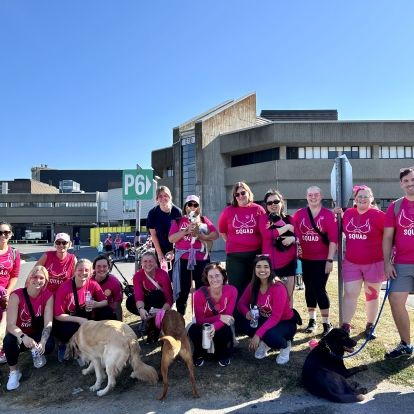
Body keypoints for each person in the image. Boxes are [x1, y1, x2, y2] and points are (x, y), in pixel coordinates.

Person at [335, 185, 385, 339]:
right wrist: (336, 215)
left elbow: (390, 236)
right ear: (355, 199)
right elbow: (336, 229)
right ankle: (346, 325)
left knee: (372, 295)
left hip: (374, 263)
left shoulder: (379, 216)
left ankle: (370, 325)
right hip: (351, 262)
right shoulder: (348, 214)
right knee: (350, 293)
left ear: (372, 199)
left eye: (366, 196)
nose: (362, 199)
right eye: (359, 196)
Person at [293, 186, 337, 335]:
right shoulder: (299, 214)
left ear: (321, 196)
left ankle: (326, 323)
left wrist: (330, 260)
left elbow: (333, 240)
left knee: (319, 289)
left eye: (316, 195)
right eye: (310, 195)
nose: (313, 197)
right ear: (306, 197)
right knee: (309, 289)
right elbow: (294, 234)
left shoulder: (328, 215)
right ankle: (312, 320)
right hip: (305, 259)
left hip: (322, 260)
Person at [237, 255, 297, 364]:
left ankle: (285, 345)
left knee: (270, 335)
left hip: (284, 322)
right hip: (264, 319)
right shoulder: (253, 285)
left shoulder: (278, 287)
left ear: (270, 269)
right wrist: (247, 313)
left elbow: (275, 317)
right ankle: (265, 343)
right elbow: (241, 303)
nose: (262, 270)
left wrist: (258, 335)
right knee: (242, 321)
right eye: (259, 267)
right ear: (254, 269)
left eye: (266, 267)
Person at [3, 266, 54, 390]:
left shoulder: (48, 295)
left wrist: (42, 341)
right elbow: (10, 325)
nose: (38, 280)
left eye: (41, 278)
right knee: (9, 341)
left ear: (45, 281)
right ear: (29, 278)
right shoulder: (16, 295)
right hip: (19, 335)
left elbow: (48, 322)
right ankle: (14, 372)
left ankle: (36, 352)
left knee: (49, 345)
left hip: (35, 333)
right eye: (34, 277)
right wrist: (23, 336)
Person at [53, 259, 112, 362]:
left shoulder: (92, 283)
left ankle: (102, 341)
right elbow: (58, 315)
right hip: (69, 318)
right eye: (80, 270)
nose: (83, 273)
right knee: (69, 329)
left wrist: (96, 304)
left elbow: (105, 301)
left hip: (86, 315)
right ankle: (65, 344)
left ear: (91, 272)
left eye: (86, 270)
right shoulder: (64, 287)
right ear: (74, 271)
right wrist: (79, 320)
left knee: (107, 312)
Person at [383, 166, 414, 359]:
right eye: (407, 181)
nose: (411, 184)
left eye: (413, 180)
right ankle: (406, 344)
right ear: (401, 184)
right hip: (402, 263)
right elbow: (387, 237)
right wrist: (387, 263)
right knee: (395, 300)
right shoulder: (395, 207)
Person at [169, 195, 218, 315]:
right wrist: (186, 231)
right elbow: (171, 239)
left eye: (195, 205)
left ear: (198, 207)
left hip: (201, 259)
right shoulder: (178, 220)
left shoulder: (203, 219)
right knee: (183, 290)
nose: (192, 207)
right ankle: (180, 315)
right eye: (189, 204)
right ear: (185, 207)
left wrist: (201, 235)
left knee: (203, 288)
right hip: (183, 259)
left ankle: (203, 316)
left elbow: (215, 235)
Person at [218, 181, 266, 298]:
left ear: (248, 193)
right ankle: (239, 316)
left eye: (243, 193)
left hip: (255, 255)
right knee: (237, 290)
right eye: (237, 194)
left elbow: (264, 232)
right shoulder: (228, 210)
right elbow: (222, 231)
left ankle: (255, 314)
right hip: (235, 257)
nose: (240, 196)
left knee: (255, 288)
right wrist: (235, 243)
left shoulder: (258, 209)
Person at [188, 263, 237, 367]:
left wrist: (214, 326)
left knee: (225, 331)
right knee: (194, 330)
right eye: (210, 276)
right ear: (207, 279)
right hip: (205, 325)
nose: (214, 279)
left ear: (223, 276)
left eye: (217, 275)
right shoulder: (199, 294)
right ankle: (199, 354)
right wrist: (219, 317)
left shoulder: (232, 290)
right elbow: (200, 320)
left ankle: (222, 353)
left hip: (221, 325)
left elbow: (227, 317)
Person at [259, 189, 297, 304]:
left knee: (288, 297)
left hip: (289, 264)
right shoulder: (263, 218)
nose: (273, 205)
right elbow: (267, 234)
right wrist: (286, 228)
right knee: (271, 299)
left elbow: (299, 236)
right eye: (269, 203)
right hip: (270, 266)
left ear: (281, 202)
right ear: (266, 206)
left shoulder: (289, 219)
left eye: (276, 201)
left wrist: (294, 238)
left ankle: (289, 321)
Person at [126, 251, 173, 320]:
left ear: (155, 263)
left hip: (161, 302)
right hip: (148, 302)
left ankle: (157, 318)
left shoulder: (163, 275)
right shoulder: (138, 275)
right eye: (145, 261)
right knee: (130, 300)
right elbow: (139, 296)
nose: (148, 264)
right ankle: (147, 316)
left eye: (151, 261)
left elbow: (169, 299)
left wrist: (161, 311)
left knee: (156, 294)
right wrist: (140, 309)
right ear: (141, 263)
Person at [146, 186, 182, 272]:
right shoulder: (152, 213)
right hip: (160, 248)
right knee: (162, 276)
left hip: (177, 249)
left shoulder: (177, 212)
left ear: (170, 197)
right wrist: (159, 254)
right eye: (160, 196)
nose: (163, 198)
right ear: (157, 199)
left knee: (176, 277)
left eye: (165, 195)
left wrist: (173, 251)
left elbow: (181, 234)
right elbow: (153, 235)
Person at [0, 221, 21, 363]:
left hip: (5, 295)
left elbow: (14, 275)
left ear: (11, 234)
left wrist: (7, 292)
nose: (3, 235)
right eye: (0, 232)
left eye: (6, 232)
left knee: (4, 324)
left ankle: (2, 351)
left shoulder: (14, 253)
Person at [92, 255, 124, 321]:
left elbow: (117, 305)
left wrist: (120, 324)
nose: (101, 269)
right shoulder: (88, 279)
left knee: (105, 312)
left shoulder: (114, 281)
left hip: (106, 310)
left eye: (104, 266)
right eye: (98, 266)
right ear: (94, 268)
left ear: (109, 268)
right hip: (90, 309)